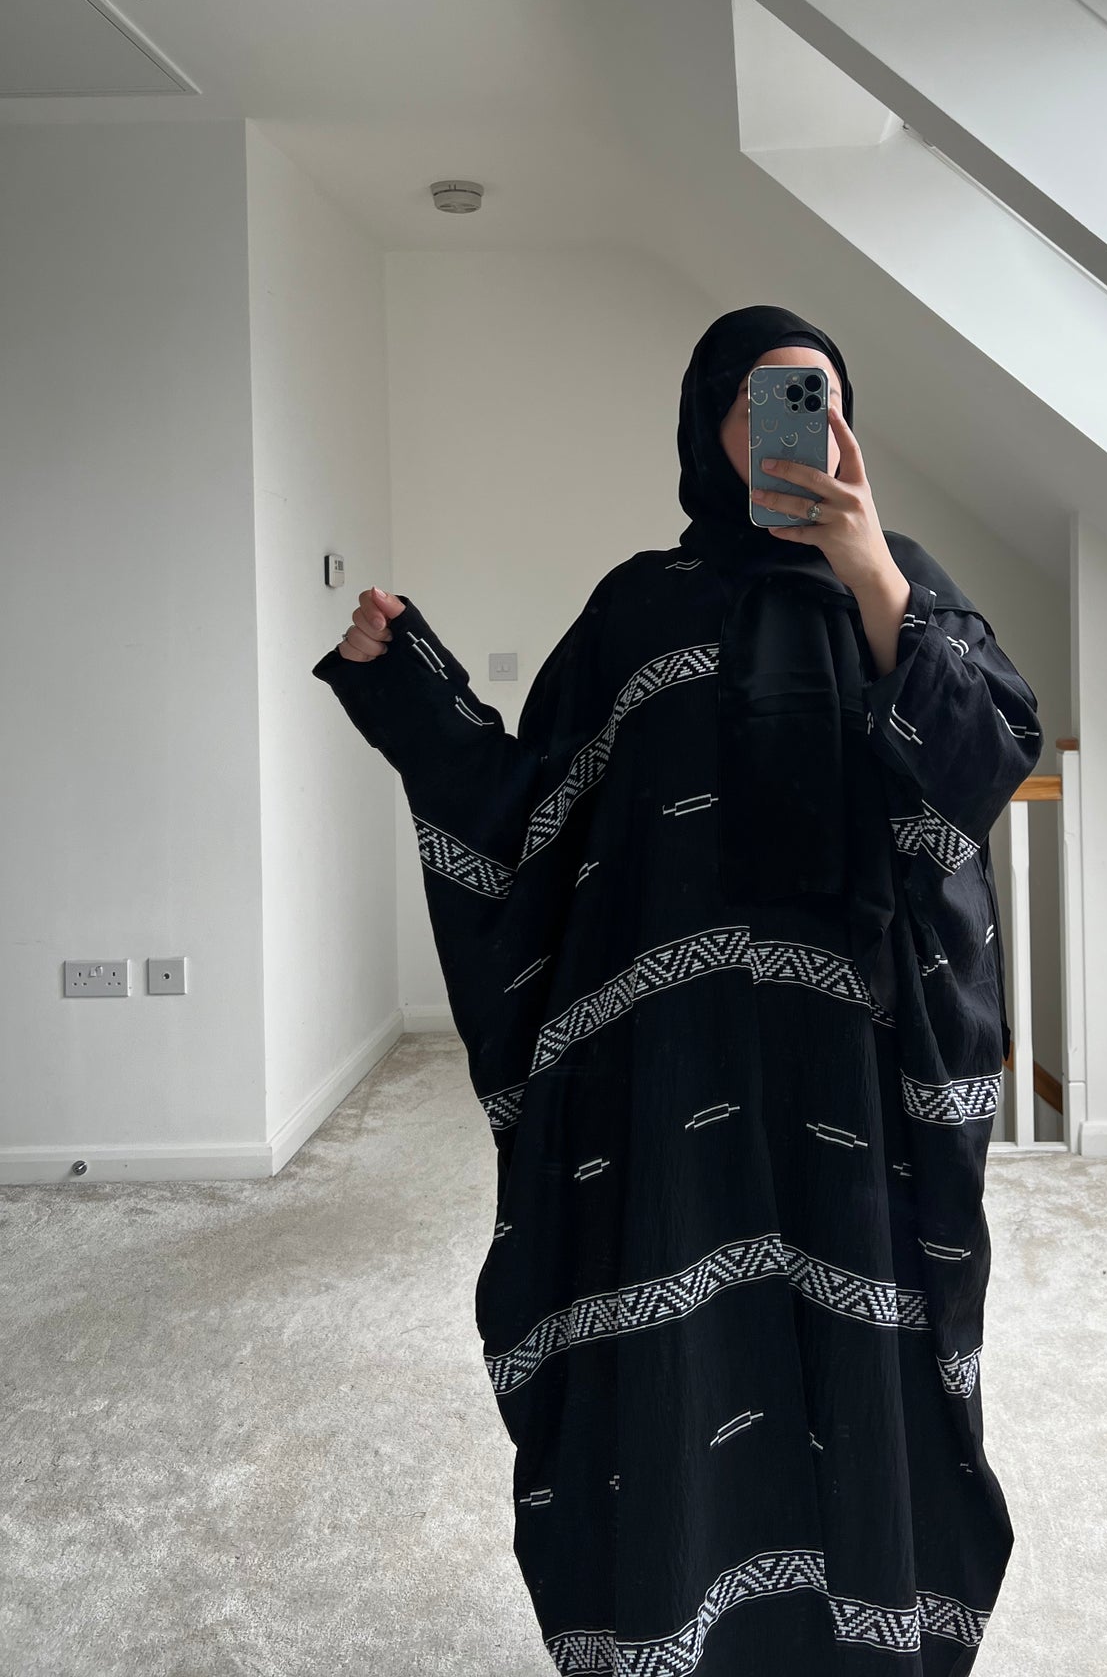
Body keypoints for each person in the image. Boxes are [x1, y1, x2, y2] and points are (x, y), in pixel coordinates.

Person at [311, 304, 1044, 1676]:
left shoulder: (905, 589)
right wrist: (402, 688)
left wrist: (872, 574)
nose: (796, 429)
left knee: (862, 1365)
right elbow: (530, 812)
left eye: (820, 399)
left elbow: (986, 764)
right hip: (671, 1071)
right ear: (709, 428)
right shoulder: (638, 607)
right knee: (679, 1362)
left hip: (858, 1074)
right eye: (762, 400)